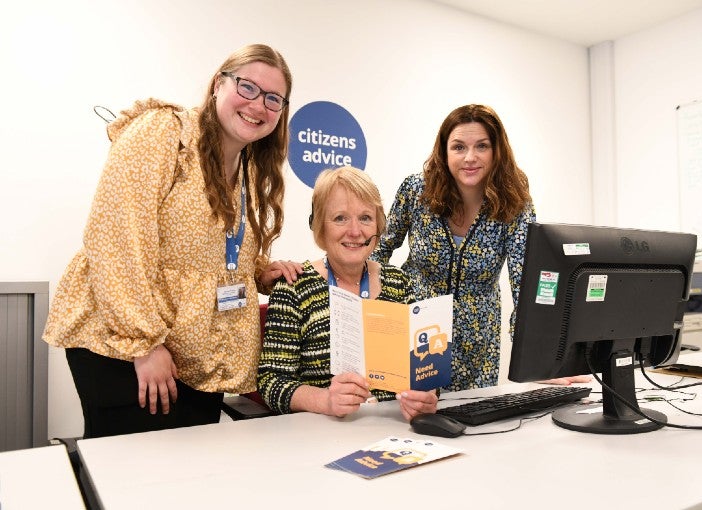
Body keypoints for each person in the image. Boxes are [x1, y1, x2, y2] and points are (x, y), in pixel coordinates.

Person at [43, 43, 302, 438]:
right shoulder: (165, 133)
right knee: (134, 483)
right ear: (219, 84)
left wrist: (258, 272)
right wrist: (143, 345)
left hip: (197, 355)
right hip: (127, 347)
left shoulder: (249, 167)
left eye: (273, 98)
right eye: (247, 87)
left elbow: (216, 254)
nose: (258, 105)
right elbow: (116, 242)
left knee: (187, 481)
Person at [372, 104, 589, 391]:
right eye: (459, 147)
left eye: (482, 146)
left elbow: (524, 282)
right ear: (444, 152)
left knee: (473, 427)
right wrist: (373, 312)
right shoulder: (416, 190)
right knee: (406, 423)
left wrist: (536, 361)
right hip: (416, 334)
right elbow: (378, 249)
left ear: (496, 151)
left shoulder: (515, 201)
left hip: (477, 345)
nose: (470, 158)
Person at [257, 166, 438, 421]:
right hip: (322, 434)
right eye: (340, 218)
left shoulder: (399, 283)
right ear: (320, 225)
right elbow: (271, 382)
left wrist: (426, 396)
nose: (355, 231)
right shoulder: (294, 286)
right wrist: (325, 400)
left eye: (365, 217)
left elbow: (423, 373)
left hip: (393, 431)